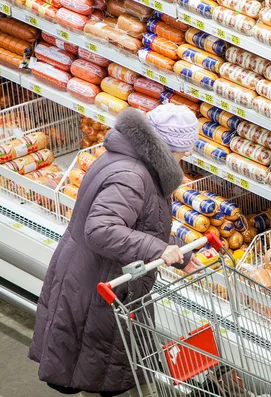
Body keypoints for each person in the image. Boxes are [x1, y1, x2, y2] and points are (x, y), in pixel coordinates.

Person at [29, 104, 201, 397]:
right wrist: (158, 249)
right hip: (99, 287)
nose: (184, 160)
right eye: (183, 153)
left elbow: (141, 222)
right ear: (169, 148)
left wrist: (176, 253)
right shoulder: (133, 174)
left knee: (95, 374)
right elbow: (100, 229)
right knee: (94, 373)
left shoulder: (129, 160)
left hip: (101, 280)